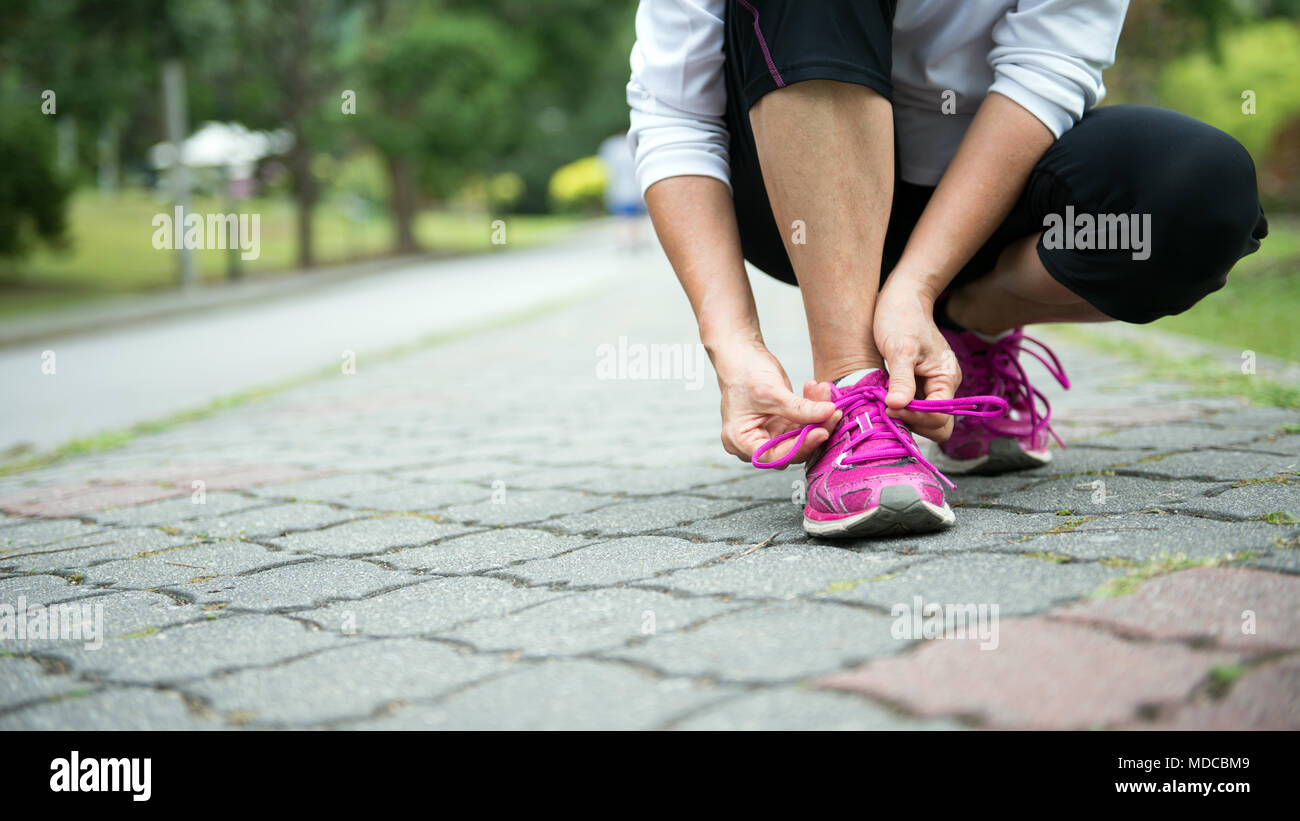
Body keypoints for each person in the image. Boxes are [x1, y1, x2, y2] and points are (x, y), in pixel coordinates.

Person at [626, 0, 1268, 537]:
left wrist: (919, 286)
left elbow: (1048, 68)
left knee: (1197, 196)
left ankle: (967, 323)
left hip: (988, 200)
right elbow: (673, 111)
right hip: (792, 192)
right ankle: (855, 394)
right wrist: (732, 344)